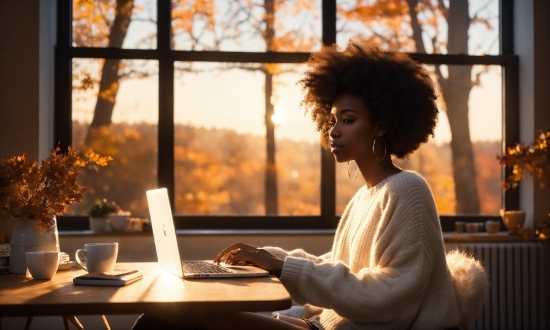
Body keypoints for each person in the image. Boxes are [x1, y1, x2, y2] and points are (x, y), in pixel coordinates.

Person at [133, 40, 488, 330]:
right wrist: (270, 258)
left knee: (185, 321)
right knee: (165, 317)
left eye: (348, 120)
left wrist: (282, 267)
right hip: (324, 324)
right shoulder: (367, 196)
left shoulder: (408, 190)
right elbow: (339, 265)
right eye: (332, 120)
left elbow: (389, 295)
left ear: (382, 125)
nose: (333, 131)